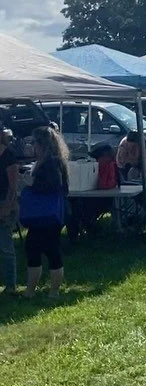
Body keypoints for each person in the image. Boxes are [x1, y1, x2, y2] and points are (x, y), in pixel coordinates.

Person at [23, 127, 69, 300]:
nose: (32, 145)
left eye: (34, 142)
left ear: (42, 143)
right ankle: (32, 290)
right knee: (34, 248)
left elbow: (54, 186)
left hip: (48, 215)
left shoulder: (52, 162)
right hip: (43, 215)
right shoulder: (45, 161)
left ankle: (52, 291)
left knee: (50, 249)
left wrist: (33, 183)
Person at [0, 128, 19, 296]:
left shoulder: (8, 156)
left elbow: (13, 186)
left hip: (5, 204)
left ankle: (10, 284)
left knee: (5, 247)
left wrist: (7, 207)